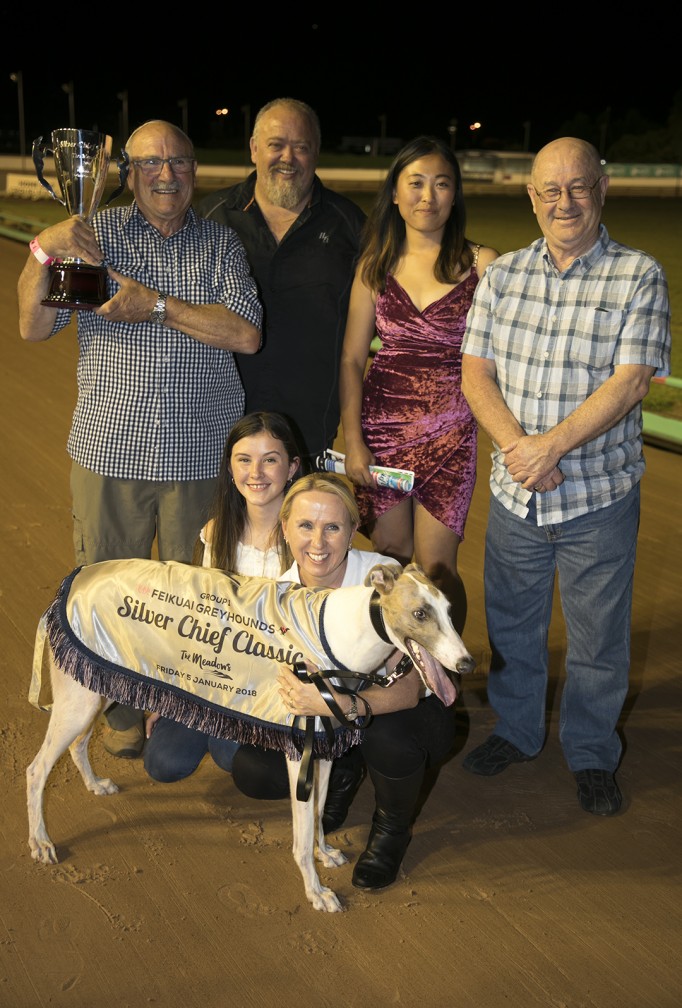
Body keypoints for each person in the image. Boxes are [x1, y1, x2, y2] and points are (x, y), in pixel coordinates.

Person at [17, 119, 263, 759]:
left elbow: (245, 334)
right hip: (110, 452)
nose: (166, 174)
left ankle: (179, 710)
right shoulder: (94, 236)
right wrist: (42, 250)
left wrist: (155, 305)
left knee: (190, 596)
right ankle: (118, 707)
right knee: (107, 588)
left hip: (200, 455)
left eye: (179, 163)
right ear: (127, 172)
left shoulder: (219, 246)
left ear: (195, 174)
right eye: (151, 162)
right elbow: (32, 326)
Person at [460, 137, 671, 817]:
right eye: (551, 190)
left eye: (578, 187)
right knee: (514, 631)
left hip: (597, 497)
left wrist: (547, 448)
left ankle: (590, 751)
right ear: (532, 197)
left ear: (602, 189)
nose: (565, 202)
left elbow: (632, 380)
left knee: (598, 643)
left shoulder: (638, 274)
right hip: (518, 493)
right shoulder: (503, 276)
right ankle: (518, 734)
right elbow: (475, 373)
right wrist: (523, 449)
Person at [230, 472, 458, 891]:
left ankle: (391, 830)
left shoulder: (387, 580)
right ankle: (345, 772)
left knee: (387, 737)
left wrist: (339, 707)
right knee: (254, 769)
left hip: (404, 712)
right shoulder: (278, 597)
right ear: (285, 528)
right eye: (305, 525)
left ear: (354, 530)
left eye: (332, 527)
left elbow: (409, 688)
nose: (318, 543)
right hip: (335, 719)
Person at [339, 136, 498, 634]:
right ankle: (395, 676)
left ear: (455, 195)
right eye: (416, 183)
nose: (428, 196)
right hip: (383, 434)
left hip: (452, 435)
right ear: (395, 194)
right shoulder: (374, 266)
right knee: (390, 561)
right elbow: (350, 358)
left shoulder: (483, 264)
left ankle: (440, 682)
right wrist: (354, 442)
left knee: (438, 570)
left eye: (441, 183)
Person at [198, 98, 366, 470]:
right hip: (214, 429)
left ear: (316, 152)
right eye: (276, 145)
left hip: (306, 434)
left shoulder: (352, 227)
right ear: (255, 149)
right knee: (217, 531)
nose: (287, 157)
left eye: (301, 146)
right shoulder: (208, 218)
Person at [143, 410, 302, 779]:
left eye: (270, 460)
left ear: (292, 467)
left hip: (274, 683)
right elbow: (199, 621)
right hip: (217, 675)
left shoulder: (307, 537)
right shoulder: (217, 533)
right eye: (244, 460)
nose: (256, 473)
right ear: (230, 467)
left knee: (234, 757)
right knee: (163, 762)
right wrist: (172, 692)